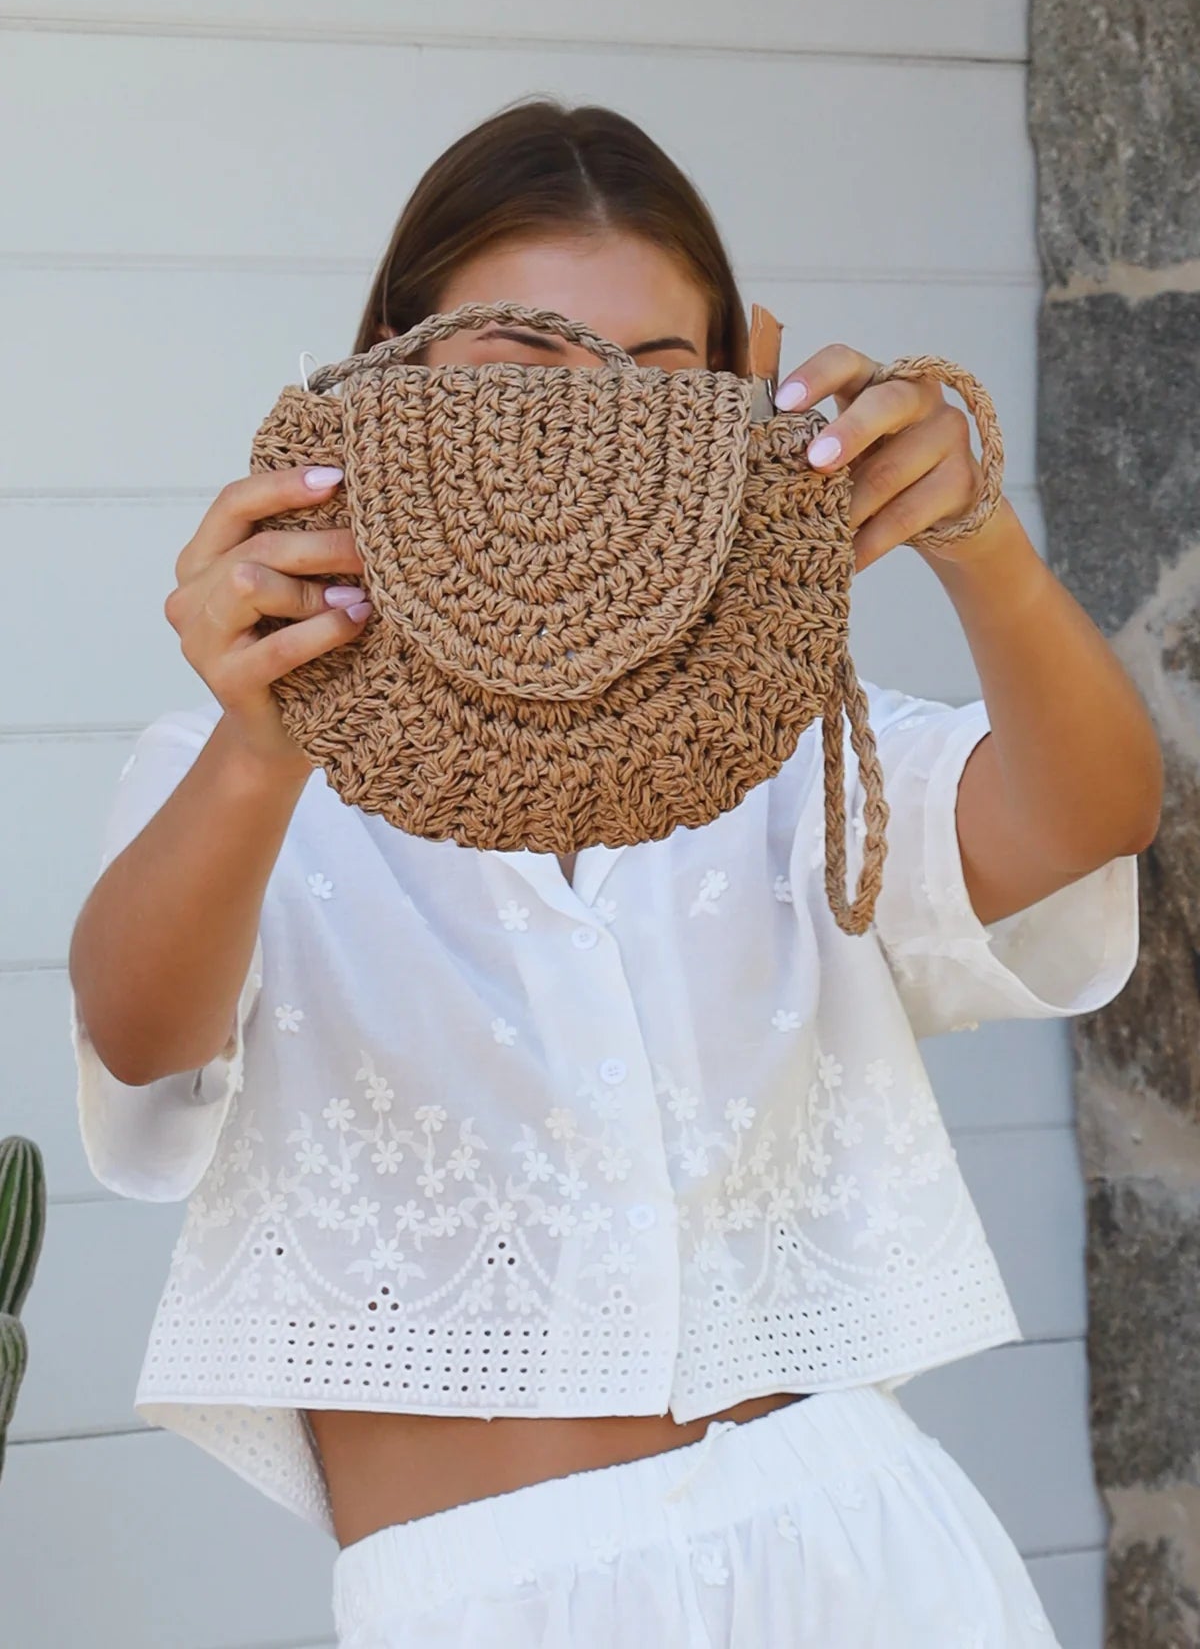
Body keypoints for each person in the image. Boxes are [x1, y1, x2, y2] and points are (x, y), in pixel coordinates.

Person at [68, 97, 1160, 1648]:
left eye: (656, 379)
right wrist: (265, 747)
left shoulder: (789, 744)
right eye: (522, 373)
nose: (585, 434)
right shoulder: (242, 761)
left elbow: (1090, 816)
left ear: (732, 400)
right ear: (384, 373)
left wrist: (979, 542)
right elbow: (139, 1038)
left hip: (863, 1561)